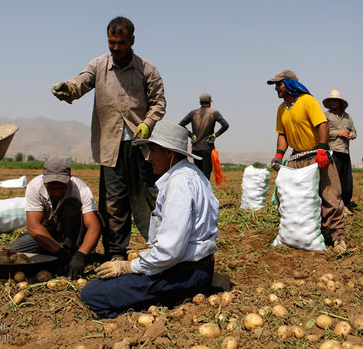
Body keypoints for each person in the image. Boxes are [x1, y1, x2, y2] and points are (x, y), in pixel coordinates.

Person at [51, 16, 166, 260]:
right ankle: (115, 252)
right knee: (113, 202)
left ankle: (159, 247)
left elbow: (159, 102)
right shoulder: (98, 65)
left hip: (139, 146)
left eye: (121, 43)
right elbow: (81, 82)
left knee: (147, 199)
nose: (115, 48)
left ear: (132, 41)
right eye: (111, 42)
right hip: (110, 145)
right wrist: (68, 89)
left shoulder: (147, 69)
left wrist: (147, 123)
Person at [80, 121, 219, 318]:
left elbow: (170, 251)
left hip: (182, 274)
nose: (148, 158)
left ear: (169, 153)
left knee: (92, 293)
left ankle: (163, 302)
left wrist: (128, 266)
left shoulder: (178, 184)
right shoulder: (194, 174)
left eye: (153, 151)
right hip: (200, 268)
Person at [267, 70, 347, 253]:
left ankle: (338, 237)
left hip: (315, 154)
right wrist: (279, 155)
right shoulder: (281, 109)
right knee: (287, 196)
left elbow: (322, 125)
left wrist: (322, 149)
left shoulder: (308, 101)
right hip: (296, 157)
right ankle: (294, 234)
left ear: (289, 84)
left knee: (330, 195)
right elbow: (282, 134)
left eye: (278, 84)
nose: (276, 89)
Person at [6, 158, 101, 279]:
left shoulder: (81, 189)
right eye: (52, 188)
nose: (57, 193)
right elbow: (34, 227)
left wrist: (81, 255)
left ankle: (71, 253)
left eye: (62, 188)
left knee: (72, 205)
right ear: (44, 181)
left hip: (71, 232)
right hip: (47, 234)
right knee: (10, 253)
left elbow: (94, 227)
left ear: (69, 180)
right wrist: (60, 252)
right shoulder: (35, 187)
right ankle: (59, 255)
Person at [178, 93, 230, 179]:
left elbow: (181, 125)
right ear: (210, 102)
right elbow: (225, 125)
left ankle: (198, 192)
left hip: (195, 149)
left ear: (200, 102)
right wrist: (215, 135)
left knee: (198, 175)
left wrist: (191, 135)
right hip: (207, 148)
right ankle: (205, 191)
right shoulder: (214, 113)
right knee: (206, 176)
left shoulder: (193, 113)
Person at [323, 89, 357, 215]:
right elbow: (322, 133)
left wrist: (351, 134)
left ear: (340, 102)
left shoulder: (347, 117)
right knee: (334, 182)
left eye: (335, 100)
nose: (332, 102)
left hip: (345, 151)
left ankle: (345, 203)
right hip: (333, 151)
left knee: (346, 182)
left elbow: (355, 131)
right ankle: (336, 206)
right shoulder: (326, 115)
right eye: (331, 100)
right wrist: (338, 133)